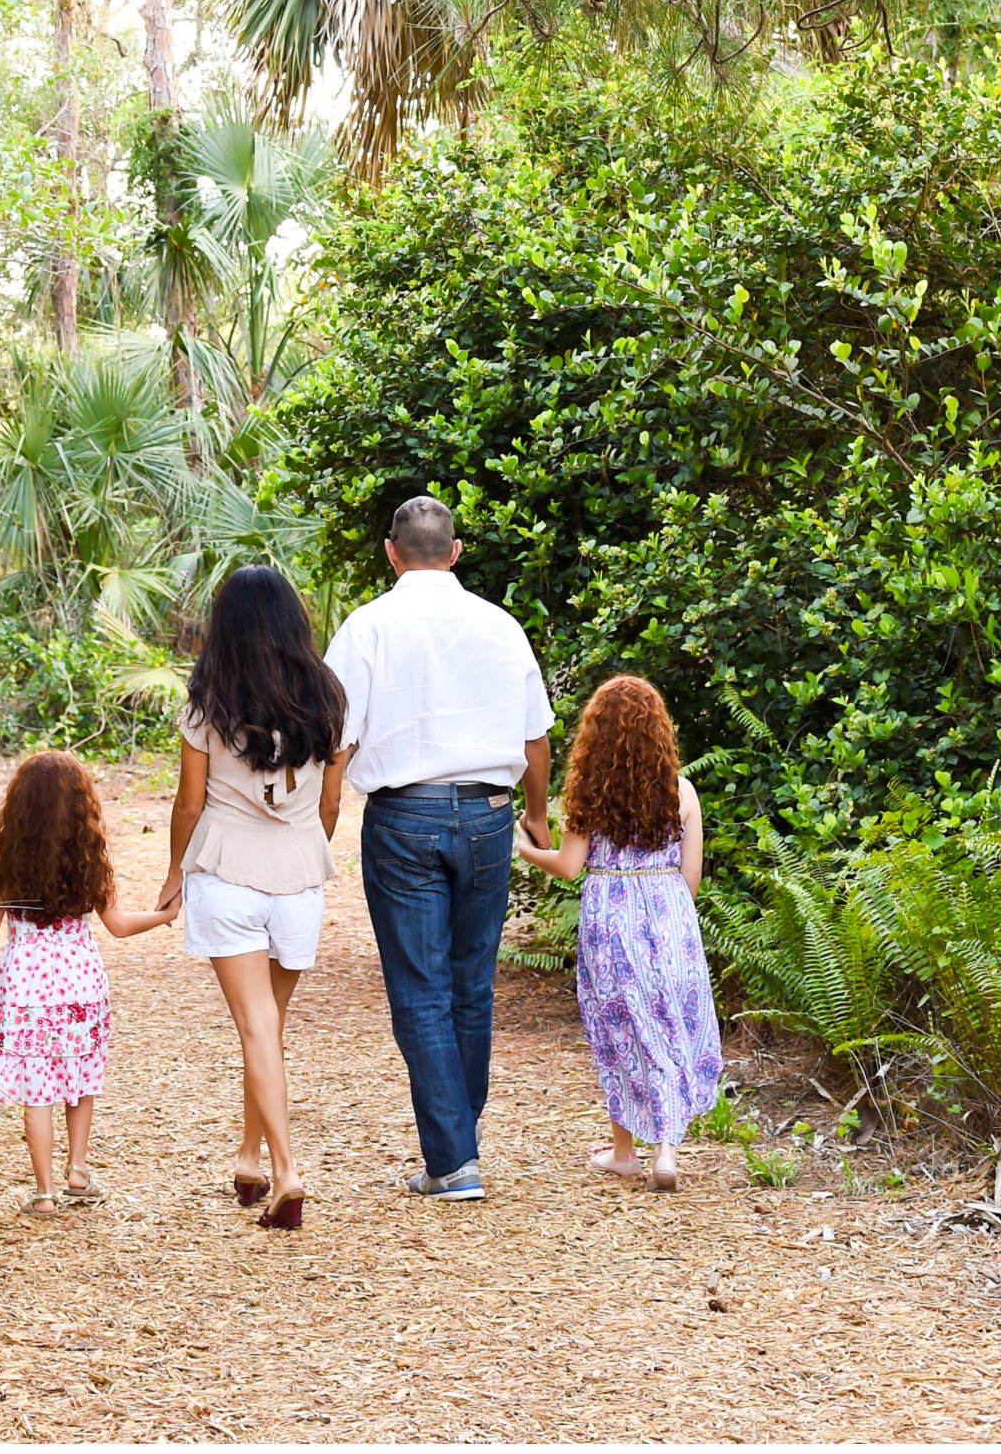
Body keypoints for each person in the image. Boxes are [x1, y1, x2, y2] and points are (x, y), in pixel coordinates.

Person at [324, 494, 553, 1202]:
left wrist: (321, 822)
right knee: (471, 983)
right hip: (488, 813)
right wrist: (538, 818)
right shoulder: (501, 625)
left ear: (391, 554)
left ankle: (454, 1159)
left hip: (403, 817)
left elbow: (337, 740)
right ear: (455, 552)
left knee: (420, 988)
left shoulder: (365, 627)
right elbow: (535, 737)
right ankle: (457, 1145)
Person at [157, 566, 347, 1231]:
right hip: (298, 876)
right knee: (266, 1026)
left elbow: (188, 802)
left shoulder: (210, 698)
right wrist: (301, 847)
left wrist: (176, 871)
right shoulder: (329, 696)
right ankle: (247, 1156)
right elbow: (330, 803)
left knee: (255, 1026)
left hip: (227, 869)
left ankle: (287, 1171)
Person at [513, 673, 721, 1191]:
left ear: (595, 736)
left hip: (611, 916)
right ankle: (663, 1153)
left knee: (619, 1028)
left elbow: (567, 866)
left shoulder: (590, 792)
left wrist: (521, 847)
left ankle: (625, 1152)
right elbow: (691, 878)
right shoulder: (684, 792)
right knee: (670, 1025)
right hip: (669, 913)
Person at [0, 750, 179, 1215]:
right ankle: (78, 1171)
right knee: (80, 1079)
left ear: (20, 807)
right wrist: (164, 915)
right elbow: (119, 925)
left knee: (36, 1090)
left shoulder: (12, 860)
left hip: (25, 987)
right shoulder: (88, 861)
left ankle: (43, 1193)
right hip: (81, 985)